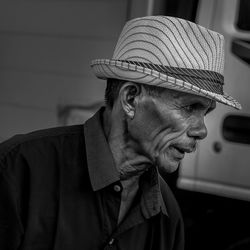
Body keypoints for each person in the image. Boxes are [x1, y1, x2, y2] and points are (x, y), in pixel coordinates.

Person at [0, 16, 241, 250]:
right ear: (131, 98)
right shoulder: (17, 170)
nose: (202, 131)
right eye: (189, 108)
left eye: (206, 112)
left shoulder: (167, 216)